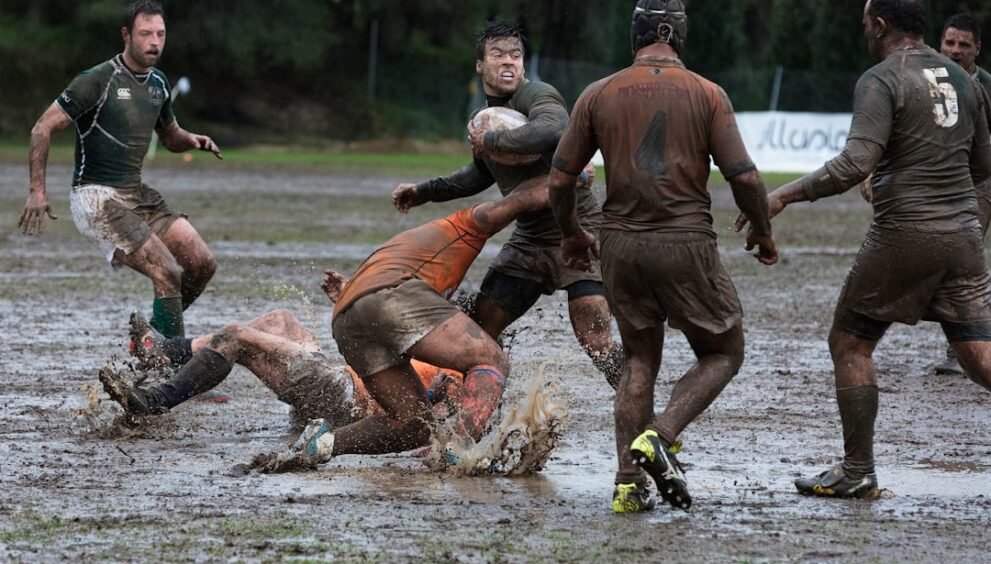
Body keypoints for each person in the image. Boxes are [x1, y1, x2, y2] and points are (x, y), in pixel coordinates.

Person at [739, 0, 991, 499]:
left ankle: (859, 471)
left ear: (879, 25)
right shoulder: (967, 81)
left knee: (849, 342)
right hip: (964, 234)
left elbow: (855, 162)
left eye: (864, 25)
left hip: (905, 233)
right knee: (979, 356)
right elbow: (984, 165)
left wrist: (782, 195)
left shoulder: (880, 78)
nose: (863, 32)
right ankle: (857, 470)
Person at [547, 0, 778, 513]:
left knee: (639, 358)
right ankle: (661, 435)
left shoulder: (597, 93)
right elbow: (746, 177)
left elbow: (560, 179)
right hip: (683, 241)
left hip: (620, 246)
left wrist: (571, 234)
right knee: (724, 351)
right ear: (675, 34)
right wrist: (762, 229)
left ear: (638, 35)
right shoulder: (707, 93)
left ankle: (628, 484)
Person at [391, 20, 625, 388]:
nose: (508, 62)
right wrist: (424, 191)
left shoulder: (537, 95)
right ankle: (484, 408)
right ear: (479, 65)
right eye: (497, 54)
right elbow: (480, 174)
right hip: (529, 241)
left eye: (515, 55)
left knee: (594, 339)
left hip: (579, 231)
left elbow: (553, 129)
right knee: (481, 330)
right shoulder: (482, 119)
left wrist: (495, 141)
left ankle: (638, 400)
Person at [286, 175, 572, 469]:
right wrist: (569, 175)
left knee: (416, 425)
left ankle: (322, 443)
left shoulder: (409, 247)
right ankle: (458, 449)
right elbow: (517, 201)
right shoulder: (463, 223)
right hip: (391, 297)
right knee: (491, 359)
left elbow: (373, 296)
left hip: (348, 318)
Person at [18, 0, 222, 339]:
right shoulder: (96, 80)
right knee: (167, 271)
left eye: (160, 34)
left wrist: (192, 140)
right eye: (145, 34)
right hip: (96, 197)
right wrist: (37, 191)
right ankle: (169, 369)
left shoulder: (158, 83)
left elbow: (170, 136)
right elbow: (41, 128)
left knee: (201, 263)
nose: (154, 42)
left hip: (136, 195)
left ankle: (152, 339)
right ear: (126, 35)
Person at [100, 308, 461, 432]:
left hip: (341, 397)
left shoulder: (460, 373)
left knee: (235, 337)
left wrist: (432, 395)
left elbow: (432, 423)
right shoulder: (431, 350)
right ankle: (163, 354)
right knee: (280, 319)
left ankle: (153, 399)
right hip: (338, 384)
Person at [933, 12, 991, 375]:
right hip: (940, 183)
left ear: (977, 50)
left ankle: (962, 350)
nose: (954, 51)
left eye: (963, 45)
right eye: (949, 43)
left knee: (964, 262)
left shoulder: (985, 87)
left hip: (981, 182)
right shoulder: (925, 80)